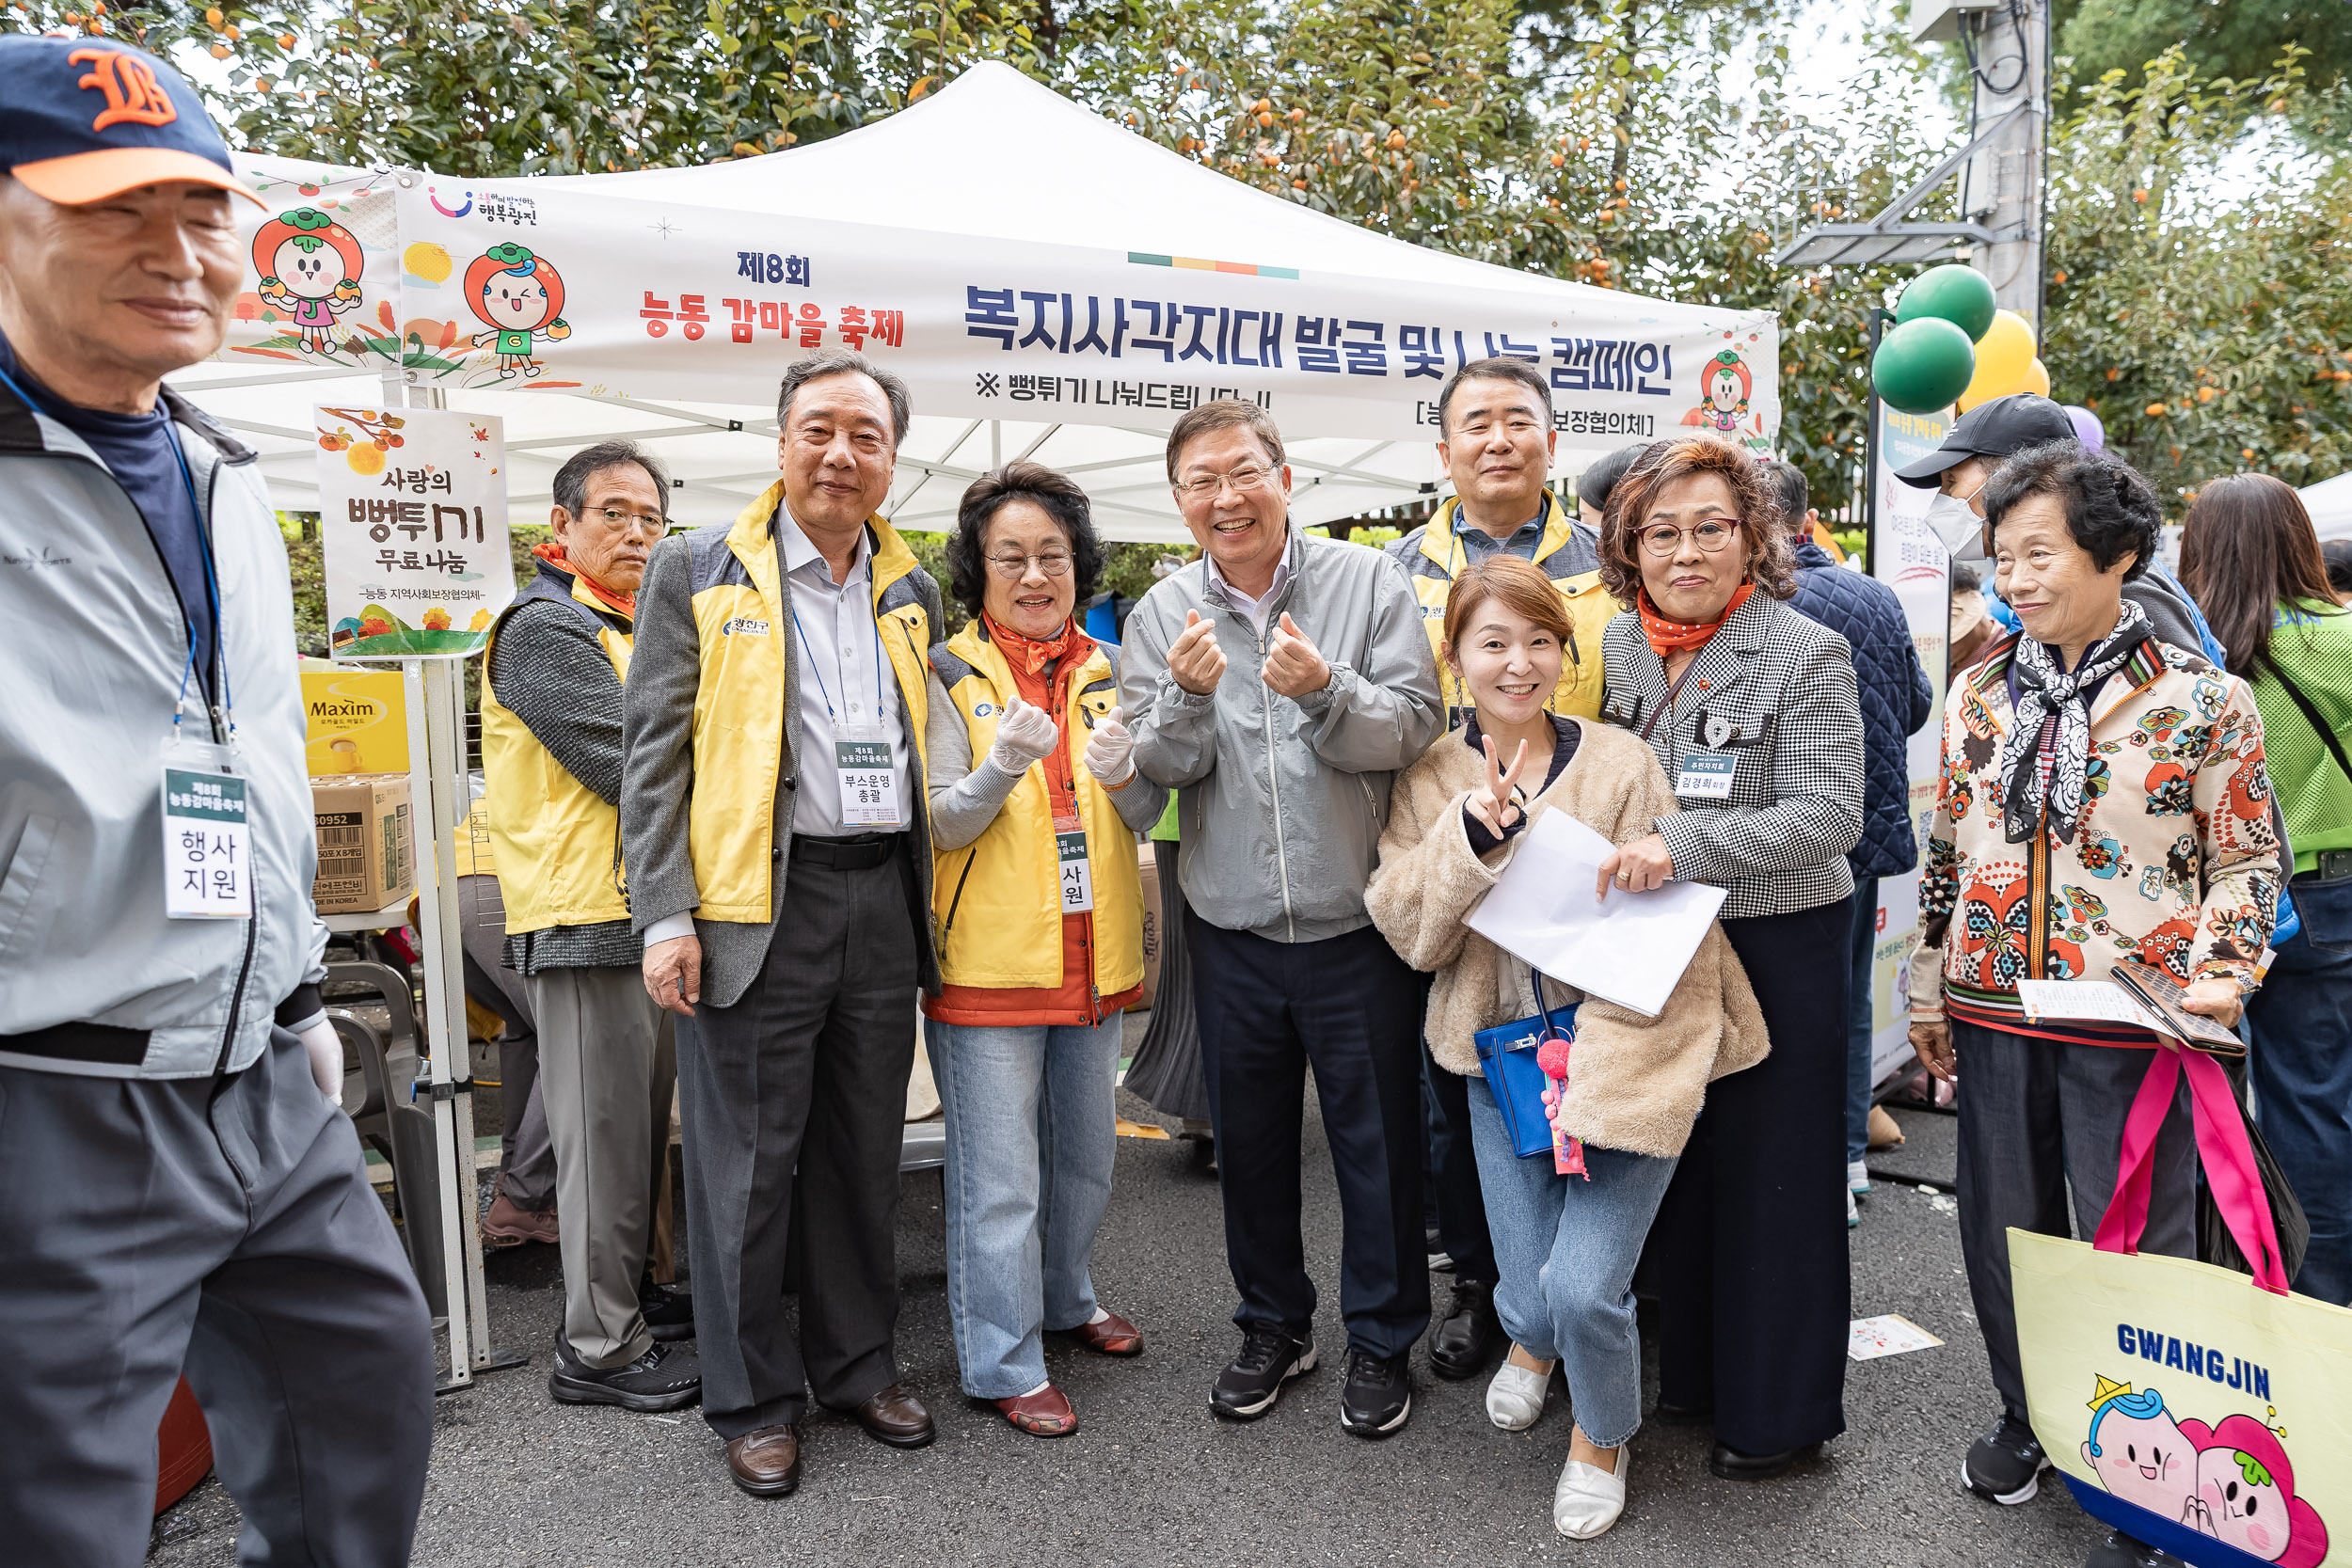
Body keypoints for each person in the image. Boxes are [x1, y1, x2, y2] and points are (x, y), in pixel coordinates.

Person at [0, 37, 432, 1564]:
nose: (175, 253)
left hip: (259, 1063)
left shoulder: (222, 466)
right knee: (58, 1507)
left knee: (367, 1391)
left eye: (201, 213)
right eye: (115, 209)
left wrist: (303, 993)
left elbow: (251, 756)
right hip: (56, 1085)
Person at [1910, 443, 2279, 1568]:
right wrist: (1927, 978)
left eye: (2039, 553)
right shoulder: (1977, 689)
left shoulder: (2203, 702)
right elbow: (1947, 847)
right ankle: (2034, 1418)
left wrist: (2222, 973)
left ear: (2116, 555)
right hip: (1992, 1004)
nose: (2013, 579)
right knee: (2004, 1235)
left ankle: (2152, 1462)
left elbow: (2248, 860)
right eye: (2001, 557)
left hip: (2139, 1017)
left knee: (2146, 1248)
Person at [1366, 555, 1769, 1539]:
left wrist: (1651, 862)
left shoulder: (1622, 762)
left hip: (1625, 1053)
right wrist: (1471, 835)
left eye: (1539, 639)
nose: (1518, 662)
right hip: (1498, 1059)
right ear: (1455, 657)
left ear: (1564, 650)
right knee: (1524, 1290)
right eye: (1492, 642)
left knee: (1582, 1284)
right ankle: (1532, 1346)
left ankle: (1601, 1432)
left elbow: (1675, 931)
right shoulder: (1432, 775)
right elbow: (1408, 929)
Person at [623, 350, 946, 1497]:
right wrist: (664, 912)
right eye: (818, 429)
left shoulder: (912, 584)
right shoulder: (696, 567)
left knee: (863, 1154)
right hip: (755, 901)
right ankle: (753, 1397)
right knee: (745, 1167)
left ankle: (856, 1364)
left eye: (865, 435)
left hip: (879, 895)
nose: (839, 454)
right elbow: (650, 758)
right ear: (779, 441)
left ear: (892, 459)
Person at [1119, 399, 1443, 1437]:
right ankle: (1273, 1324)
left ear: (1284, 475)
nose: (1226, 497)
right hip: (1230, 926)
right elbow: (1155, 770)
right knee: (1249, 1145)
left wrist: (1324, 688)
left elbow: (1415, 728)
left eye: (1241, 472)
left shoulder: (1367, 582)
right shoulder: (1160, 613)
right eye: (1201, 483)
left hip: (1359, 925)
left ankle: (1384, 1338)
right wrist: (1176, 701)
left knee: (1377, 1145)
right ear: (1178, 504)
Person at [1594, 436, 1864, 1481]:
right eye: (1660, 531)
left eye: (1710, 527)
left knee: (1777, 1182)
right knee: (1686, 1165)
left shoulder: (1804, 647)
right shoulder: (1622, 642)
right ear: (1629, 547)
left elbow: (1829, 815)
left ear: (1754, 535)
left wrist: (1681, 844)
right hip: (1661, 940)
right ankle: (1696, 1379)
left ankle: (1778, 1415)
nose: (1686, 550)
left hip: (1774, 937)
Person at [1381, 359, 1620, 1383]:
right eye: (1474, 424)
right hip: (1455, 841)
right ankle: (1483, 1285)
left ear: (1550, 441)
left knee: (1585, 1069)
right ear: (1442, 451)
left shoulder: (1611, 558)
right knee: (1461, 1087)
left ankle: (1586, 1282)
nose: (1496, 439)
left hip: (1582, 842)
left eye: (1517, 421)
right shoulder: (1395, 568)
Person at [917, 462, 1165, 1436]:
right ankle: (999, 1357)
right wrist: (998, 767)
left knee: (1085, 1160)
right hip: (988, 962)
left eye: (1052, 555)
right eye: (1009, 557)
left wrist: (1128, 778)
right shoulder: (943, 671)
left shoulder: (1109, 670)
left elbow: (1142, 810)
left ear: (1080, 564)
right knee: (999, 1180)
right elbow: (938, 822)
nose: (1034, 575)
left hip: (1091, 961)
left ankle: (1065, 1297)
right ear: (976, 569)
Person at [483, 439, 698, 1410]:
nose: (636, 532)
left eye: (651, 517)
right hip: (584, 914)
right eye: (612, 511)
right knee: (604, 1138)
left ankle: (639, 1295)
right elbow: (629, 763)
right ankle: (600, 1346)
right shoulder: (542, 626)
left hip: (639, 909)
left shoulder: (628, 623)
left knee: (641, 1132)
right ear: (559, 527)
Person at [2180, 473, 2352, 1305]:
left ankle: (2278, 1286)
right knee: (2318, 1097)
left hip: (2234, 905)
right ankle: (2323, 1291)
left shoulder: (2196, 654)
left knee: (2243, 1094)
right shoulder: (2344, 638)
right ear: (2301, 540)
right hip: (2334, 894)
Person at [1766, 460, 1935, 1225]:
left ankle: (1802, 1165)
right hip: (1865, 828)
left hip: (1778, 839)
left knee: (1785, 1003)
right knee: (1851, 992)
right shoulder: (1875, 594)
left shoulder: (1758, 602)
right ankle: (1848, 1155)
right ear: (1806, 520)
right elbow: (1917, 703)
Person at [1897, 392, 2230, 666]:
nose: (1943, 500)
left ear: (2015, 480)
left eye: (1952, 482)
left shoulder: (2113, 585)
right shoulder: (2031, 586)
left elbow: (2185, 710)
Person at [456, 801, 561, 1248]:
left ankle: (514, 1176)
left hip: (462, 878)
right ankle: (524, 1199)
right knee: (568, 1037)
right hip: (509, 884)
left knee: (527, 1028)